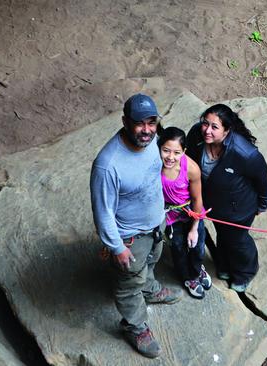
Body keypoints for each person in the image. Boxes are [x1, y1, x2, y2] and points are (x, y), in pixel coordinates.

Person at [90, 93, 182, 359]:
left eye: (151, 122)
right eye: (139, 123)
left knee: (151, 262)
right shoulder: (108, 165)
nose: (147, 130)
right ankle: (134, 326)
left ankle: (149, 289)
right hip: (129, 237)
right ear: (125, 122)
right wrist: (116, 248)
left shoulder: (154, 140)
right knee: (128, 283)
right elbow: (103, 213)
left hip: (155, 224)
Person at [186, 104, 267, 292]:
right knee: (223, 235)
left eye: (214, 127)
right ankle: (224, 265)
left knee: (238, 241)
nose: (207, 130)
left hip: (238, 209)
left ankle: (245, 272)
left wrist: (262, 205)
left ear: (226, 130)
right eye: (205, 124)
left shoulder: (245, 154)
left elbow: (263, 183)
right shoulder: (197, 136)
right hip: (213, 204)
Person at [158, 126, 212, 299]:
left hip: (192, 213)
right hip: (171, 217)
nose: (170, 157)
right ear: (159, 148)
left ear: (184, 151)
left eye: (177, 152)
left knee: (197, 248)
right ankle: (188, 277)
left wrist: (194, 227)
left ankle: (196, 270)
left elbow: (197, 199)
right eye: (166, 150)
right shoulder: (154, 165)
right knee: (179, 249)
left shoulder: (191, 169)